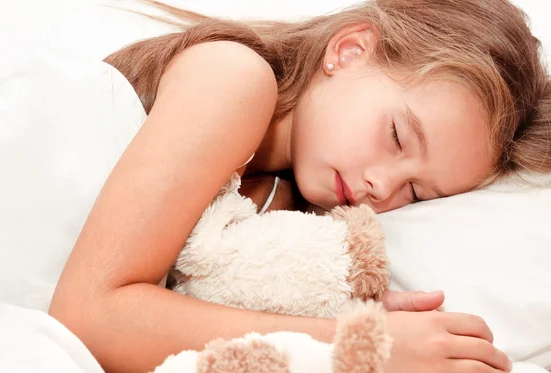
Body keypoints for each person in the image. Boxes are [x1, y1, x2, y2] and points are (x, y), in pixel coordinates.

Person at [48, 0, 551, 372]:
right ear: (349, 51)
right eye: (396, 137)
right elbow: (89, 316)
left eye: (416, 193)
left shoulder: (278, 198)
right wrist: (362, 344)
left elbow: (185, 296)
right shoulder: (233, 77)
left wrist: (325, 300)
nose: (382, 186)